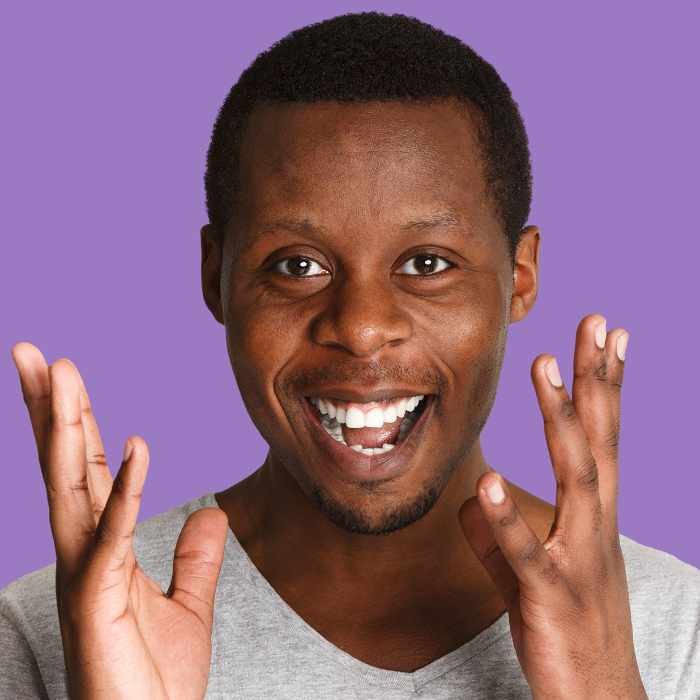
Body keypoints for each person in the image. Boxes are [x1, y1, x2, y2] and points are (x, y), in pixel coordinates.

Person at [2, 11, 698, 699]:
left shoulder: (678, 628)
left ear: (519, 276)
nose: (362, 328)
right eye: (297, 266)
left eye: (427, 263)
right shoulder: (58, 629)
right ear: (216, 276)